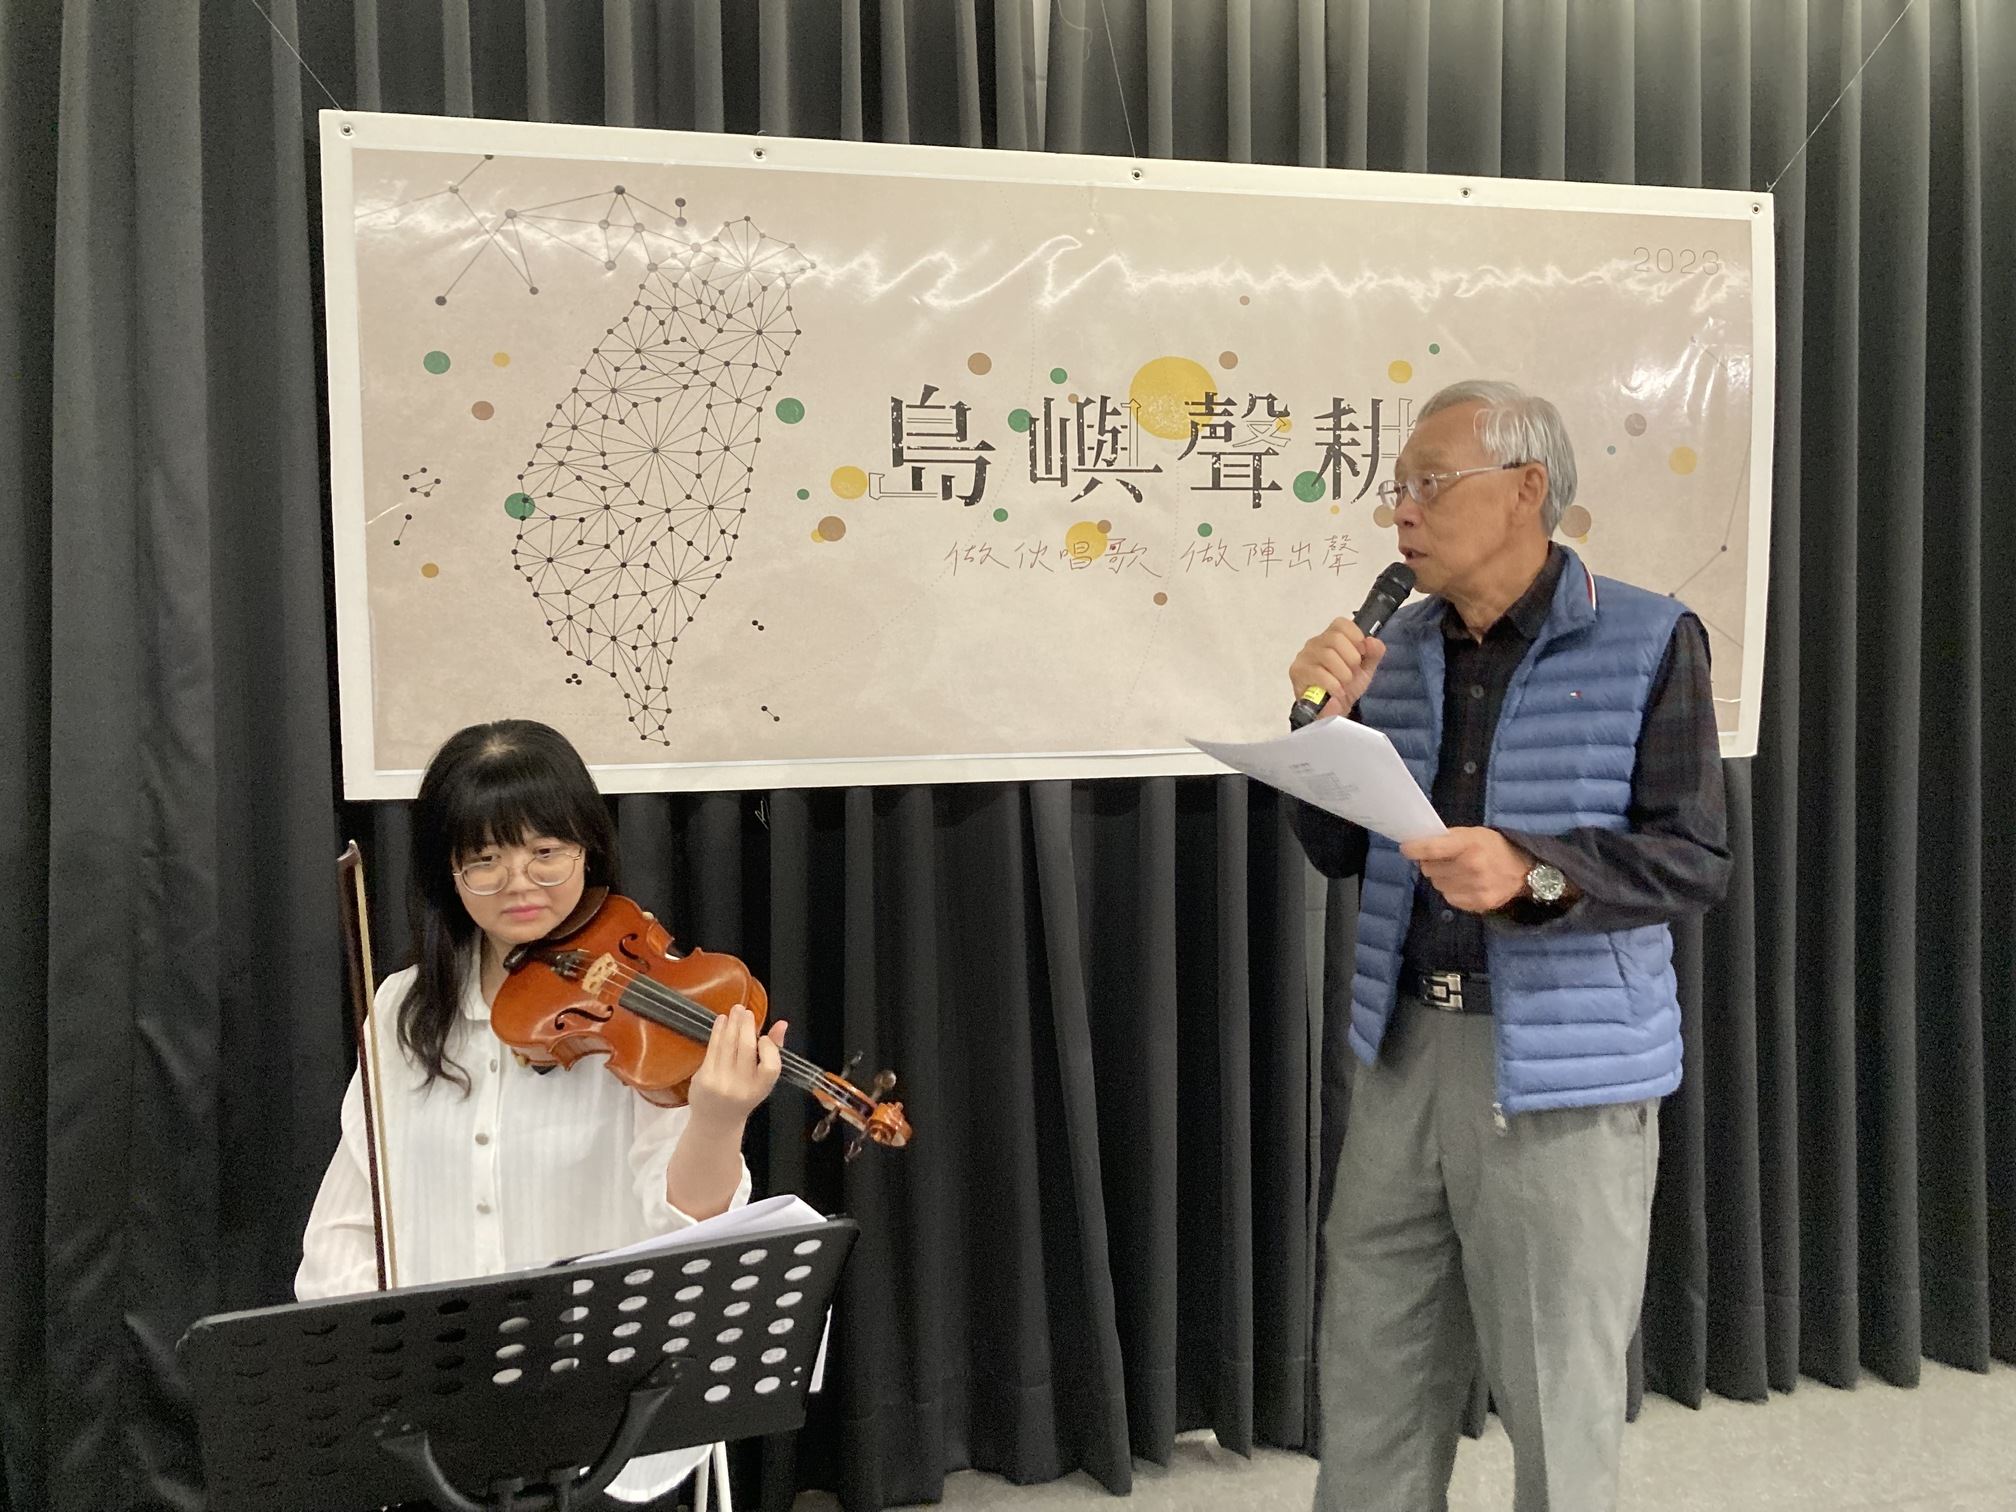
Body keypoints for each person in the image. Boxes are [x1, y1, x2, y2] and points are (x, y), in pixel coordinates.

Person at [1289, 381, 1731, 1512]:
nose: (1402, 512)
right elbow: (1336, 852)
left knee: (1556, 1397)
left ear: (1527, 488)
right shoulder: (1395, 647)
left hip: (1563, 1079)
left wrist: (1530, 872)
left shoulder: (1647, 637)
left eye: (1430, 484)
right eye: (1398, 489)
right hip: (1401, 1053)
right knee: (1374, 1374)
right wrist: (1323, 730)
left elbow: (1693, 860)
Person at [298, 718, 785, 1503]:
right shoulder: (399, 1012)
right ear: (449, 872)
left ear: (588, 849)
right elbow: (345, 1234)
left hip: (605, 1429)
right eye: (483, 859)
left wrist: (718, 1119)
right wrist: (388, 1380)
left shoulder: (641, 1020)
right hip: (438, 1435)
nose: (518, 882)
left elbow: (688, 1241)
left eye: (545, 851)